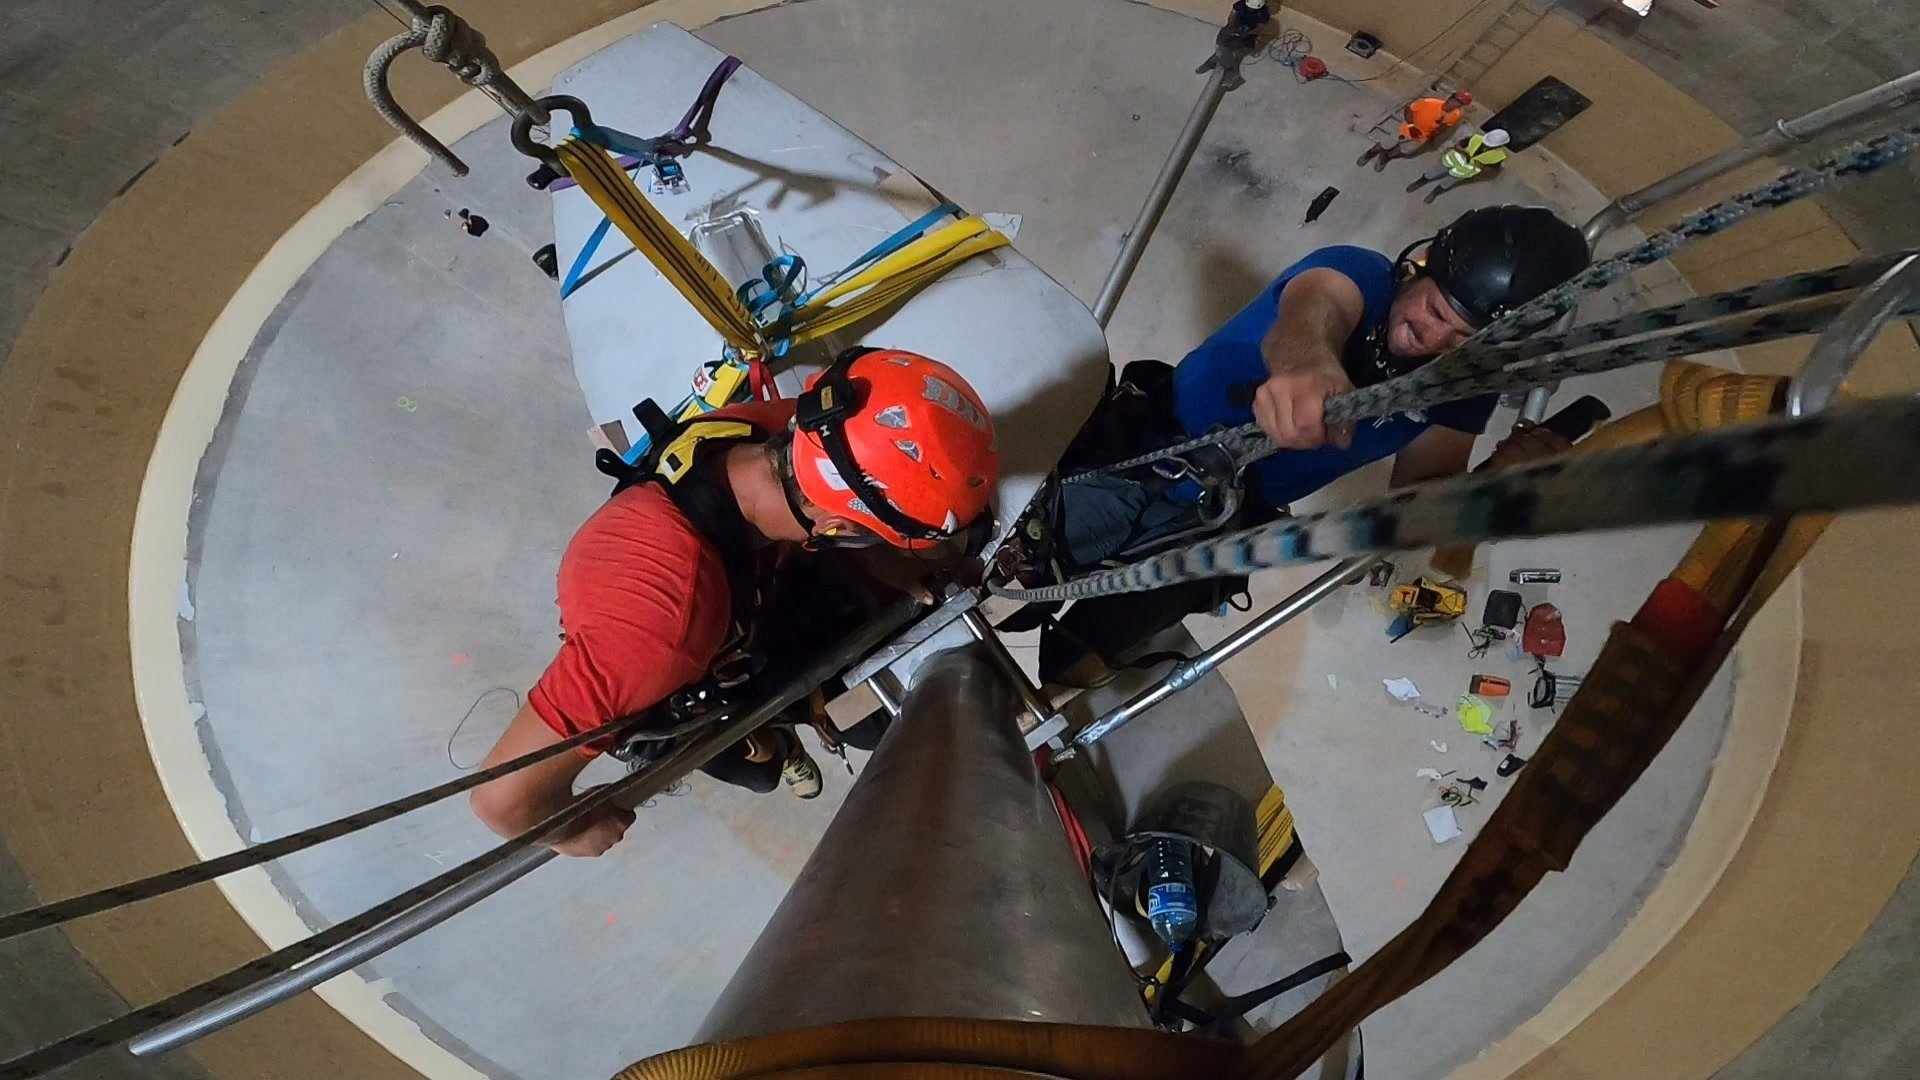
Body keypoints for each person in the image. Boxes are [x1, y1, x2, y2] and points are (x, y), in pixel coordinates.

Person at [470, 347, 999, 856]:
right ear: (836, 527)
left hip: (733, 583)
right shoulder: (660, 630)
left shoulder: (791, 428)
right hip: (681, 647)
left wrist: (904, 565)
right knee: (766, 764)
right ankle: (779, 747)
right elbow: (504, 801)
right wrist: (568, 833)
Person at [1041, 206, 1589, 683]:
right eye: (1438, 312)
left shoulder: (1459, 390)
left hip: (1227, 518)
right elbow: (1312, 313)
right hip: (1147, 445)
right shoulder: (1360, 273)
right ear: (1422, 264)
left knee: (1103, 635)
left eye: (1463, 340)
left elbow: (1420, 496)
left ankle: (1063, 666)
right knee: (1024, 552)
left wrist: (1497, 483)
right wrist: (1308, 367)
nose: (1435, 341)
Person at [1356, 90, 1471, 172]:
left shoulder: (1456, 114)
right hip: (1407, 128)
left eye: (1459, 104)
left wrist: (1432, 135)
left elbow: (1445, 126)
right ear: (1450, 98)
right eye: (1455, 101)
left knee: (1403, 150)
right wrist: (1412, 127)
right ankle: (1369, 154)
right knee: (1386, 144)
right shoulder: (1428, 102)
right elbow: (1409, 110)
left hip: (1421, 136)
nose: (1455, 104)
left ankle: (1385, 158)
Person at [1406, 128, 1512, 203]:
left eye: (1489, 145)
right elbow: (1457, 145)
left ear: (1500, 145)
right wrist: (1463, 152)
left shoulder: (1499, 156)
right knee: (1432, 173)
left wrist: (1481, 166)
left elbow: (1491, 170)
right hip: (1451, 161)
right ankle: (1420, 181)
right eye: (1486, 143)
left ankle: (1434, 193)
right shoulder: (1475, 138)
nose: (1486, 145)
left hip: (1463, 171)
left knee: (1447, 183)